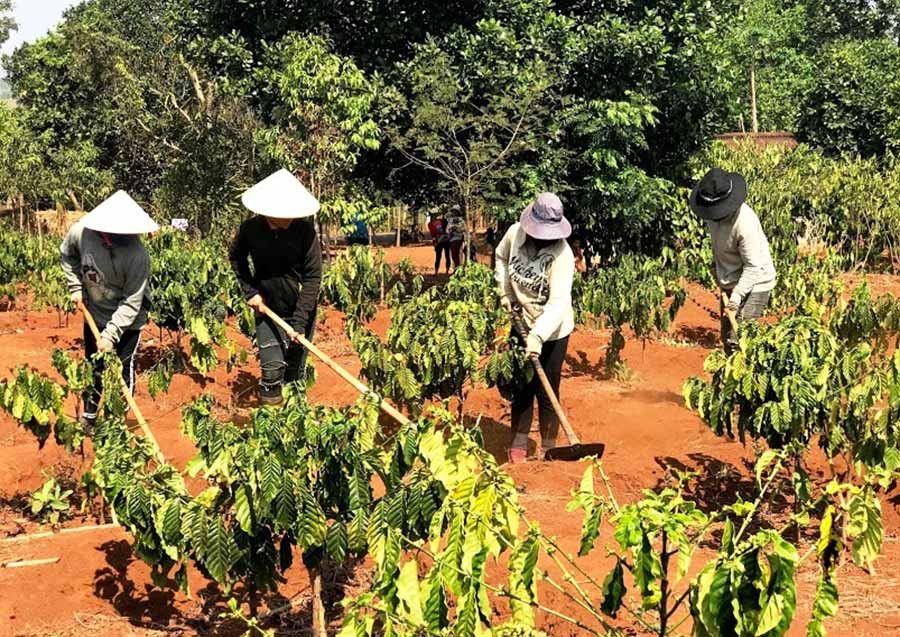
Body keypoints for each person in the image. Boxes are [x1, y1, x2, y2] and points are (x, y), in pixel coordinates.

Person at [60, 190, 159, 429]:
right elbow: (67, 254)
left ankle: (118, 424)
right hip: (94, 311)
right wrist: (75, 287)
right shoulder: (81, 233)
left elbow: (132, 301)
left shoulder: (137, 255)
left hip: (129, 322)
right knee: (94, 366)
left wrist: (111, 335)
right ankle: (90, 416)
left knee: (122, 369)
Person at [229, 169, 323, 405]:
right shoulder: (251, 230)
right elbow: (236, 258)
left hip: (301, 307)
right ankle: (271, 420)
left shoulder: (305, 233)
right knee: (271, 371)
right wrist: (250, 292)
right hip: (266, 308)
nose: (291, 218)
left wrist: (299, 322)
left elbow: (313, 278)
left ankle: (293, 427)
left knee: (294, 373)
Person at [495, 192, 575, 464]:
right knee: (522, 385)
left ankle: (548, 447)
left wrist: (539, 336)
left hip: (553, 330)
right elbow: (501, 258)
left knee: (547, 386)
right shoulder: (515, 234)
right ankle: (518, 444)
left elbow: (558, 302)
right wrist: (505, 292)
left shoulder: (563, 255)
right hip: (521, 321)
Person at [690, 167, 776, 355]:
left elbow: (753, 267)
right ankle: (732, 381)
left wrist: (735, 299)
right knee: (728, 340)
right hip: (731, 281)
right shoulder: (712, 215)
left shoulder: (745, 223)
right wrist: (718, 269)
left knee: (740, 341)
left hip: (756, 282)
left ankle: (750, 381)